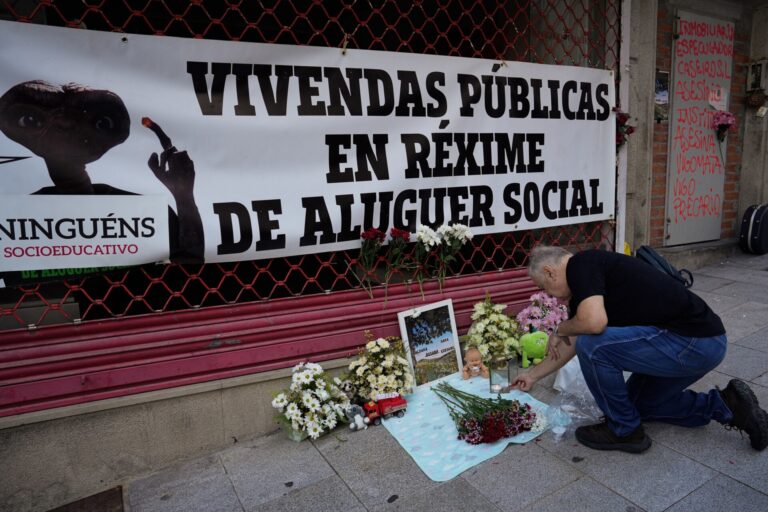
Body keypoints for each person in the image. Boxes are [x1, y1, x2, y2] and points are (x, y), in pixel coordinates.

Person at [510, 245, 768, 454]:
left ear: (550, 271)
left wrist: (560, 329)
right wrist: (532, 375)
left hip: (692, 343)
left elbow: (592, 326)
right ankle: (728, 406)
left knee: (594, 345)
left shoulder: (582, 264)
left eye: (544, 287)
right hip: (702, 343)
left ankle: (624, 431)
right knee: (637, 404)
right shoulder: (585, 289)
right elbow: (573, 344)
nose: (550, 297)